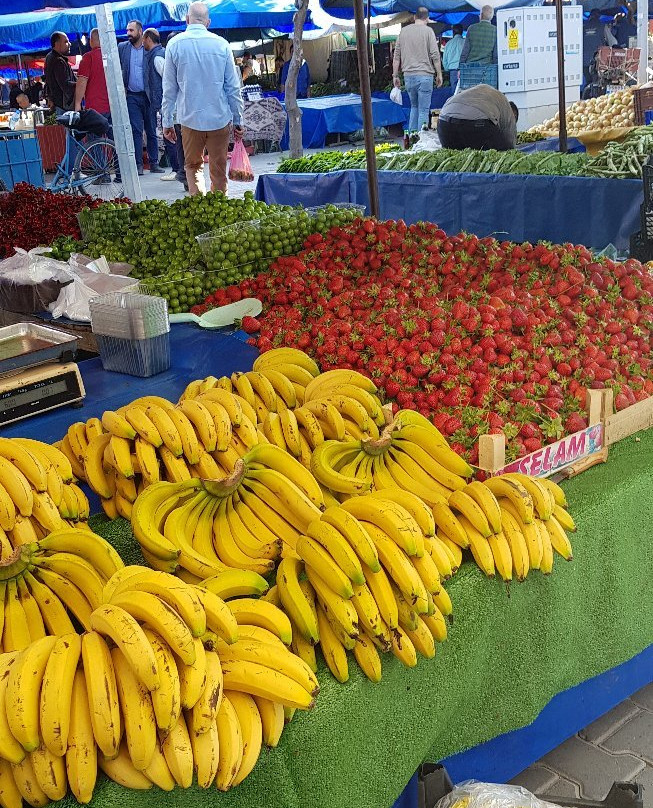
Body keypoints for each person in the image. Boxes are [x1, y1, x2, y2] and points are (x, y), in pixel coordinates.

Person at [162, 1, 244, 196]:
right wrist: (239, 120)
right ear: (208, 22)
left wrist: (167, 121)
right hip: (219, 119)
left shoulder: (174, 44)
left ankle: (199, 210)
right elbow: (233, 87)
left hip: (189, 119)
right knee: (218, 169)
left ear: (187, 20)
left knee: (192, 166)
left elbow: (169, 89)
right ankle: (219, 207)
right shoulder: (222, 44)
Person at [118, 20, 163, 174]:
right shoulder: (122, 48)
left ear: (140, 31)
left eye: (131, 30)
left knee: (151, 130)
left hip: (148, 95)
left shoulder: (149, 48)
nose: (128, 33)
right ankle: (138, 165)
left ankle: (154, 163)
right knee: (136, 130)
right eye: (127, 30)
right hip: (131, 96)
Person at [393, 8, 443, 132]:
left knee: (414, 107)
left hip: (408, 76)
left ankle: (411, 139)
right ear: (427, 18)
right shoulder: (428, 31)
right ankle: (421, 140)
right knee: (423, 110)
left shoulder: (403, 31)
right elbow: (435, 55)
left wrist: (395, 76)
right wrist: (439, 74)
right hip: (425, 76)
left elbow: (396, 56)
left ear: (414, 17)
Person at [437, 84, 518, 151]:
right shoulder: (506, 106)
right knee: (498, 154)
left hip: (444, 121)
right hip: (477, 123)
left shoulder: (482, 92)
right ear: (513, 114)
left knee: (453, 159)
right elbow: (509, 139)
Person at [74, 29, 110, 119]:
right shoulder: (112, 57)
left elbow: (82, 82)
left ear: (91, 41)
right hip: (113, 108)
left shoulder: (88, 57)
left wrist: (77, 103)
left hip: (95, 108)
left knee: (95, 132)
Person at [44, 32, 76, 114]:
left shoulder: (49, 57)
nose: (70, 44)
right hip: (63, 107)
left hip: (58, 105)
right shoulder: (58, 61)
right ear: (57, 44)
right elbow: (65, 84)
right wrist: (80, 84)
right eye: (66, 42)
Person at [583, 10, 616, 86]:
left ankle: (587, 95)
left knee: (588, 82)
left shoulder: (582, 27)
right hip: (598, 60)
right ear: (599, 16)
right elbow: (613, 42)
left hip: (585, 61)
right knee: (597, 83)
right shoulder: (603, 26)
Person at [442, 24, 465, 89]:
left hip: (453, 71)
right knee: (464, 92)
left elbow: (445, 60)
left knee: (454, 94)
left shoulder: (448, 44)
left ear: (453, 32)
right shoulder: (465, 43)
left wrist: (447, 69)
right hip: (464, 70)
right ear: (462, 32)